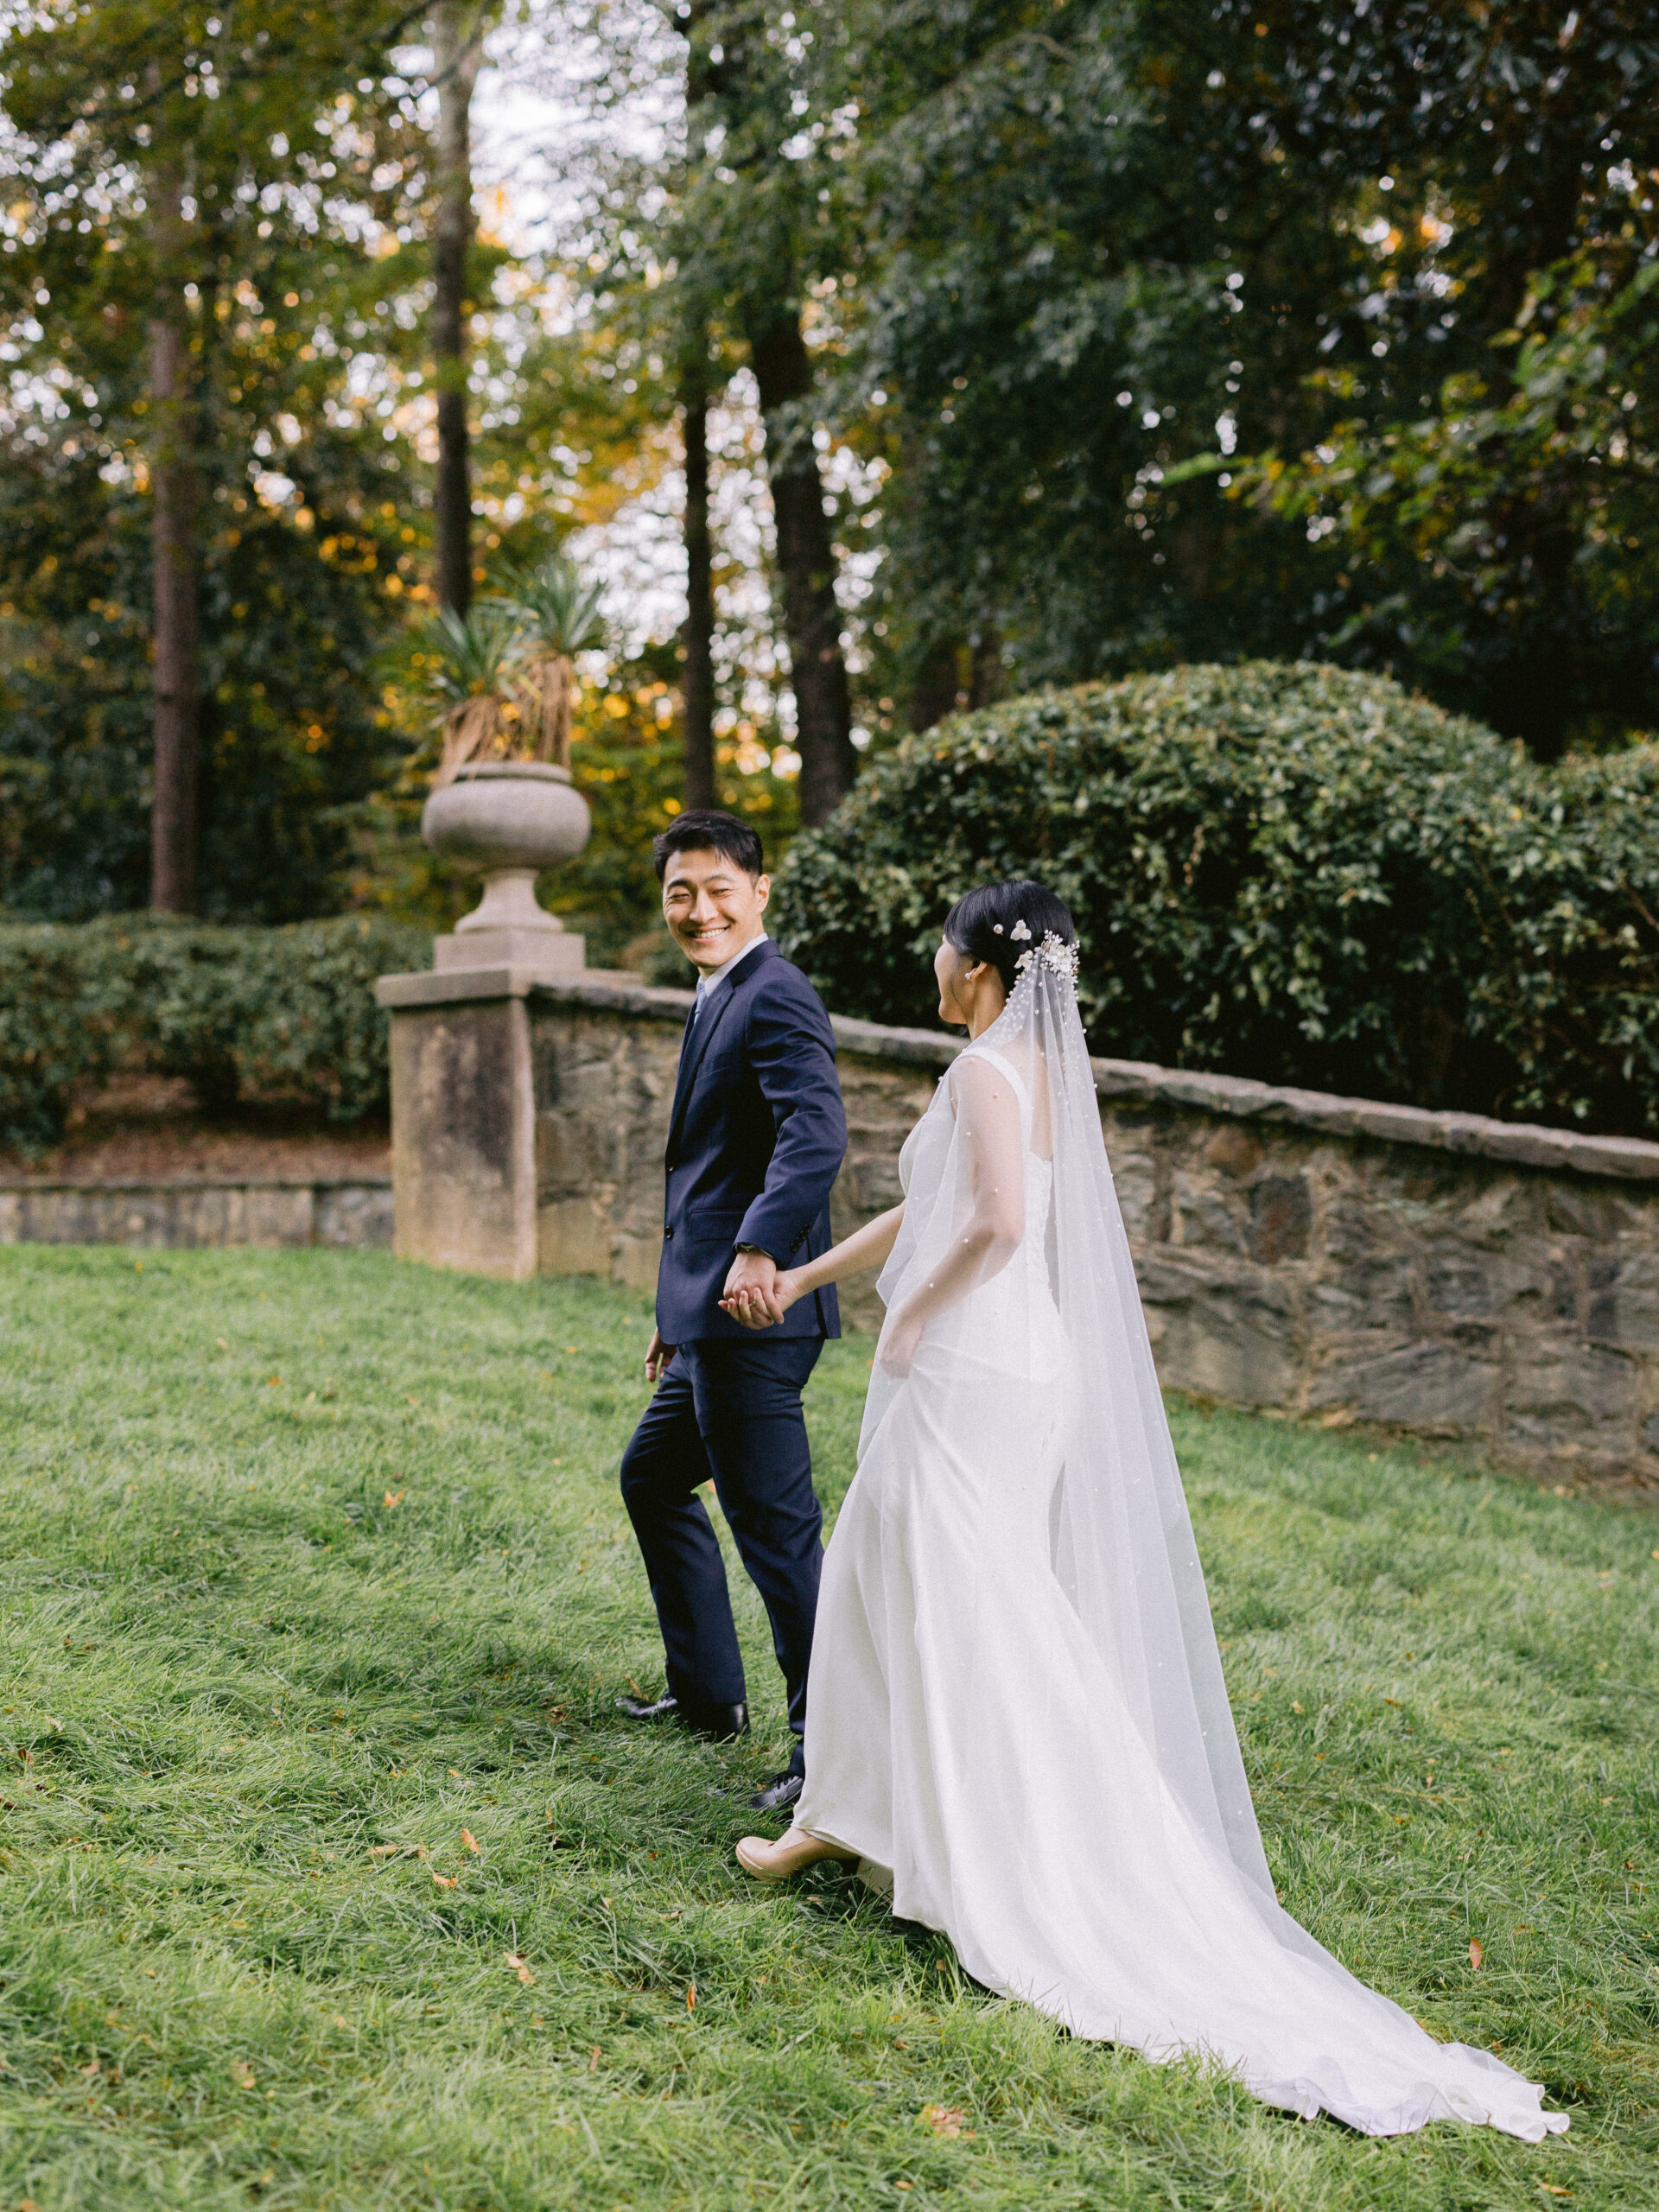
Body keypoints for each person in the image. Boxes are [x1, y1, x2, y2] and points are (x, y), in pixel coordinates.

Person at [720, 877, 1568, 2142]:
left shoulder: (984, 1075)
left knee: (934, 1591)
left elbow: (995, 1226)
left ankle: (918, 1830)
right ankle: (855, 1814)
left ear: (979, 966)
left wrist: (913, 1316)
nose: (931, 958)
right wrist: (805, 1278)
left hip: (972, 1360)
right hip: (1023, 1362)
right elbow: (932, 1209)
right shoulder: (1030, 1076)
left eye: (943, 943)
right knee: (924, 1581)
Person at [616, 809, 848, 1815]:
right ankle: (711, 1696)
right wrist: (677, 1307)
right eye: (681, 892)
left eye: (718, 889)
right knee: (651, 1474)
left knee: (779, 1540)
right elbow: (711, 1165)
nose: (698, 909)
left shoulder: (776, 992)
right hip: (708, 1315)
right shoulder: (719, 990)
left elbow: (815, 1133)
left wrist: (758, 1248)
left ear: (759, 891)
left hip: (757, 1316)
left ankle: (828, 1755)